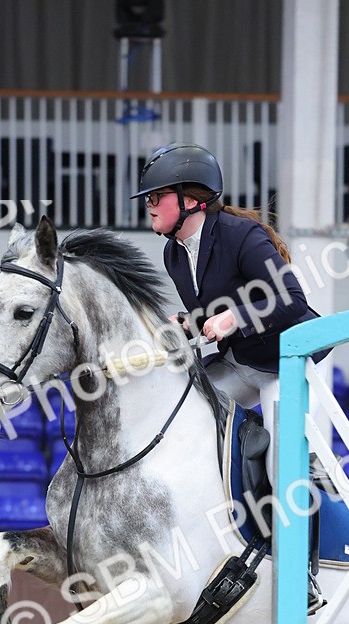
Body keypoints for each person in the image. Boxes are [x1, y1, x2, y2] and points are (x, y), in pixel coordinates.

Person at [132, 141, 327, 488]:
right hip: (240, 362)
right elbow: (212, 311)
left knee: (281, 468)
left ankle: (310, 499)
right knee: (179, 419)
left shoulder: (241, 235)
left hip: (284, 364)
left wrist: (235, 317)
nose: (149, 204)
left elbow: (292, 298)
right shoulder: (174, 253)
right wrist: (187, 324)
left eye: (156, 196)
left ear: (189, 201)